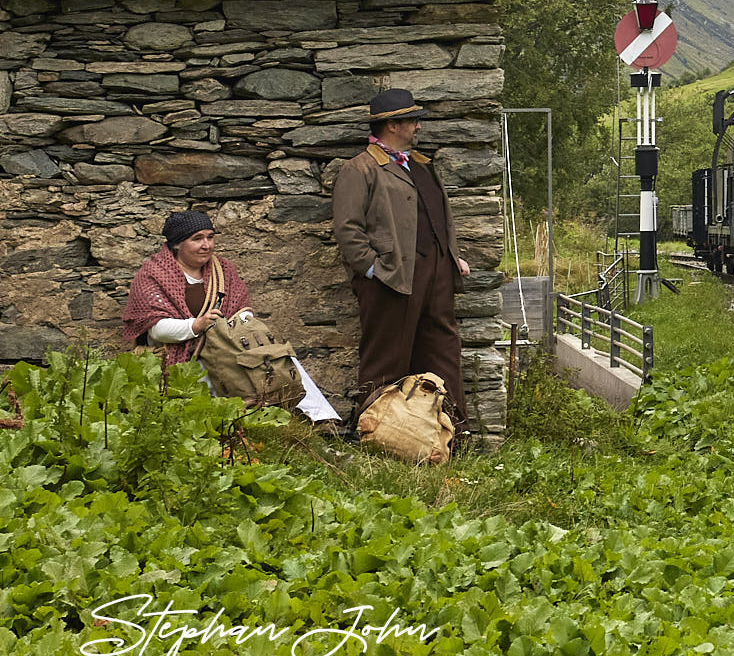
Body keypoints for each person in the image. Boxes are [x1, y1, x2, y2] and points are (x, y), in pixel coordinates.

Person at [329, 88, 473, 438]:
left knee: (443, 352)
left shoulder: (422, 165)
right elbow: (347, 228)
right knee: (386, 358)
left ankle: (452, 434)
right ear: (392, 125)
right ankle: (375, 434)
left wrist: (450, 257)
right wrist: (373, 270)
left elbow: (437, 217)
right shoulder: (360, 169)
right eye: (412, 120)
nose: (418, 127)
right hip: (391, 278)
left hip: (436, 273)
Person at [121, 209, 341, 424]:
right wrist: (196, 325)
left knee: (279, 359)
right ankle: (252, 425)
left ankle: (321, 419)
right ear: (177, 244)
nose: (206, 245)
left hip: (227, 342)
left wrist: (239, 327)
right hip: (185, 354)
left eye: (210, 237)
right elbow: (156, 329)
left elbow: (241, 310)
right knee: (227, 372)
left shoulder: (222, 269)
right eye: (197, 239)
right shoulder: (152, 275)